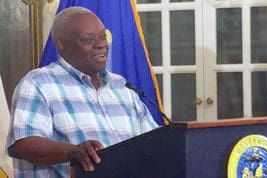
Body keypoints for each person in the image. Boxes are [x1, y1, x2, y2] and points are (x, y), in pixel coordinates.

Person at [6, 6, 159, 178]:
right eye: (88, 39)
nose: (101, 44)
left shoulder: (122, 87)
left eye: (103, 37)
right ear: (62, 46)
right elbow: (23, 144)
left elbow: (155, 143)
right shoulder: (39, 84)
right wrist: (72, 152)